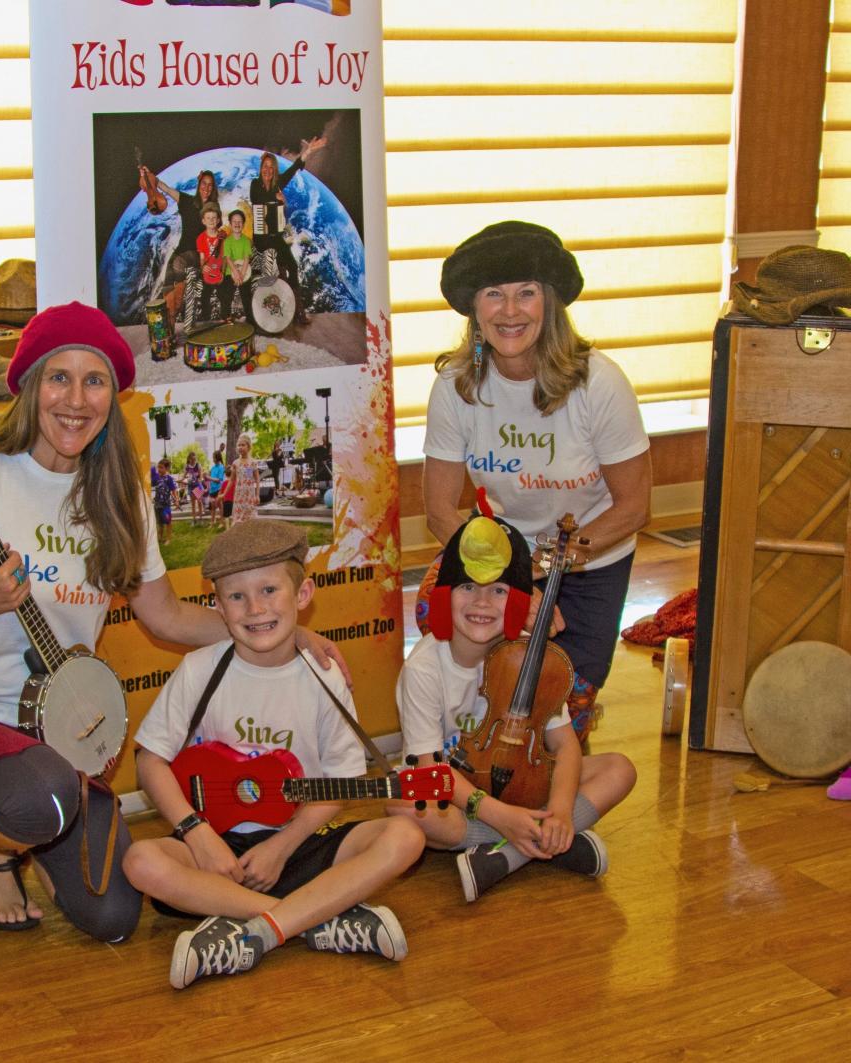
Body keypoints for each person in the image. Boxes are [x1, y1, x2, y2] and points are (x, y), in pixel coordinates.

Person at [0, 301, 349, 941]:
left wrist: (287, 632)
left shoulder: (120, 501)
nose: (76, 398)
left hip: (57, 733)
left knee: (113, 915)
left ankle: (24, 826)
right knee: (42, 796)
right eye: (58, 377)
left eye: (93, 381)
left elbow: (168, 616)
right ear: (31, 386)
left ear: (112, 398)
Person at [123, 519, 426, 988]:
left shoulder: (324, 678)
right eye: (237, 597)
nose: (255, 608)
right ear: (218, 607)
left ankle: (253, 929)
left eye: (269, 590)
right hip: (216, 847)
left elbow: (339, 783)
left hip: (298, 839)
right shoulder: (200, 668)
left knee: (406, 837)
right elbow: (150, 759)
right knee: (141, 861)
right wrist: (196, 833)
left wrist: (281, 848)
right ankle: (314, 918)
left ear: (302, 596)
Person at [423, 220, 652, 741]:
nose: (509, 311)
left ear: (550, 302)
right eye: (493, 295)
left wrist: (547, 575)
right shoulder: (454, 386)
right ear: (474, 309)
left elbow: (634, 506)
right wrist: (510, 586)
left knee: (565, 706)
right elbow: (439, 512)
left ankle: (560, 804)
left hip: (592, 562)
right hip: (498, 564)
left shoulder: (600, 383)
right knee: (489, 698)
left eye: (526, 293)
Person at [387, 505, 636, 903]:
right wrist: (503, 816)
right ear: (445, 596)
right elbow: (431, 769)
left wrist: (558, 809)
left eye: (499, 591)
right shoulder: (424, 668)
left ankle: (510, 854)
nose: (482, 603)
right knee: (404, 805)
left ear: (519, 601)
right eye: (468, 587)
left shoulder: (531, 658)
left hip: (525, 781)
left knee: (619, 769)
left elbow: (565, 745)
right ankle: (546, 845)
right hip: (461, 795)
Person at [249, 136, 326, 324]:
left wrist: (307, 151)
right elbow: (259, 202)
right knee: (273, 274)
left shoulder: (278, 184)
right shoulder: (255, 185)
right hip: (261, 239)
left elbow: (294, 168)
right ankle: (269, 315)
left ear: (274, 170)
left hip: (275, 238)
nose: (267, 170)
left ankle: (298, 311)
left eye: (270, 167)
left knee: (292, 266)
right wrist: (278, 201)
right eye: (264, 167)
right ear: (261, 170)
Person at [141, 166, 218, 287]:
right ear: (199, 184)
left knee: (178, 270)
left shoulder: (213, 207)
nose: (206, 188)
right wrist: (148, 175)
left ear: (213, 188)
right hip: (181, 251)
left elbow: (214, 235)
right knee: (168, 284)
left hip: (199, 255)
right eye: (204, 183)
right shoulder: (186, 201)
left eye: (210, 185)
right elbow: (165, 188)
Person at [218, 208, 255, 323]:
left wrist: (242, 275)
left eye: (240, 222)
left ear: (243, 224)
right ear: (230, 223)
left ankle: (251, 319)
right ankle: (226, 317)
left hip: (244, 272)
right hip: (231, 272)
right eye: (234, 222)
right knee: (227, 294)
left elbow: (246, 258)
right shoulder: (227, 241)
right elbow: (228, 259)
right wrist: (235, 273)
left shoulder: (246, 241)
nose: (237, 224)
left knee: (247, 296)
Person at [195, 202, 225, 323]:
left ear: (218, 220)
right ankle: (206, 321)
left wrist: (223, 271)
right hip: (208, 271)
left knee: (223, 295)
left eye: (214, 218)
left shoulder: (223, 236)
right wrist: (203, 267)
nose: (211, 221)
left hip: (220, 270)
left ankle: (224, 319)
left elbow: (225, 256)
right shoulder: (201, 238)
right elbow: (202, 257)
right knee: (204, 296)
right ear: (203, 221)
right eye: (208, 218)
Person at [229, 433, 261, 525]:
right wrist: (223, 494)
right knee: (238, 521)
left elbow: (257, 479)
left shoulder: (252, 462)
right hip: (239, 496)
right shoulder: (235, 463)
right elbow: (231, 480)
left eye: (243, 445)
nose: (240, 447)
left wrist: (257, 495)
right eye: (239, 445)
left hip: (249, 496)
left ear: (248, 446)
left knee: (250, 521)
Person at [153, 457, 176, 545]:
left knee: (168, 522)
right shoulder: (156, 478)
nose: (159, 469)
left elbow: (173, 490)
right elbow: (150, 483)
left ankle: (168, 539)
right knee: (159, 522)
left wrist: (177, 500)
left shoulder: (169, 478)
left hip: (166, 505)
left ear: (166, 468)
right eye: (158, 467)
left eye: (161, 467)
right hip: (157, 504)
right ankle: (160, 537)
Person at [184, 450, 205, 525]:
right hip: (190, 486)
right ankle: (194, 519)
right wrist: (182, 480)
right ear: (189, 459)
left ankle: (200, 518)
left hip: (197, 485)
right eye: (192, 459)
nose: (193, 461)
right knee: (193, 503)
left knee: (199, 502)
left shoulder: (198, 465)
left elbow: (201, 475)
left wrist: (199, 480)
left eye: (194, 459)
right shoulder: (187, 466)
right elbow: (184, 476)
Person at [208, 448, 225, 526]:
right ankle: (212, 522)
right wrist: (206, 476)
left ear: (217, 458)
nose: (213, 459)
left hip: (219, 489)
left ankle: (221, 522)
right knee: (212, 506)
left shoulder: (221, 467)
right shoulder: (213, 468)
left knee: (220, 506)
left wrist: (209, 478)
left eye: (214, 457)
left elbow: (219, 480)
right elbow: (210, 478)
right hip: (212, 490)